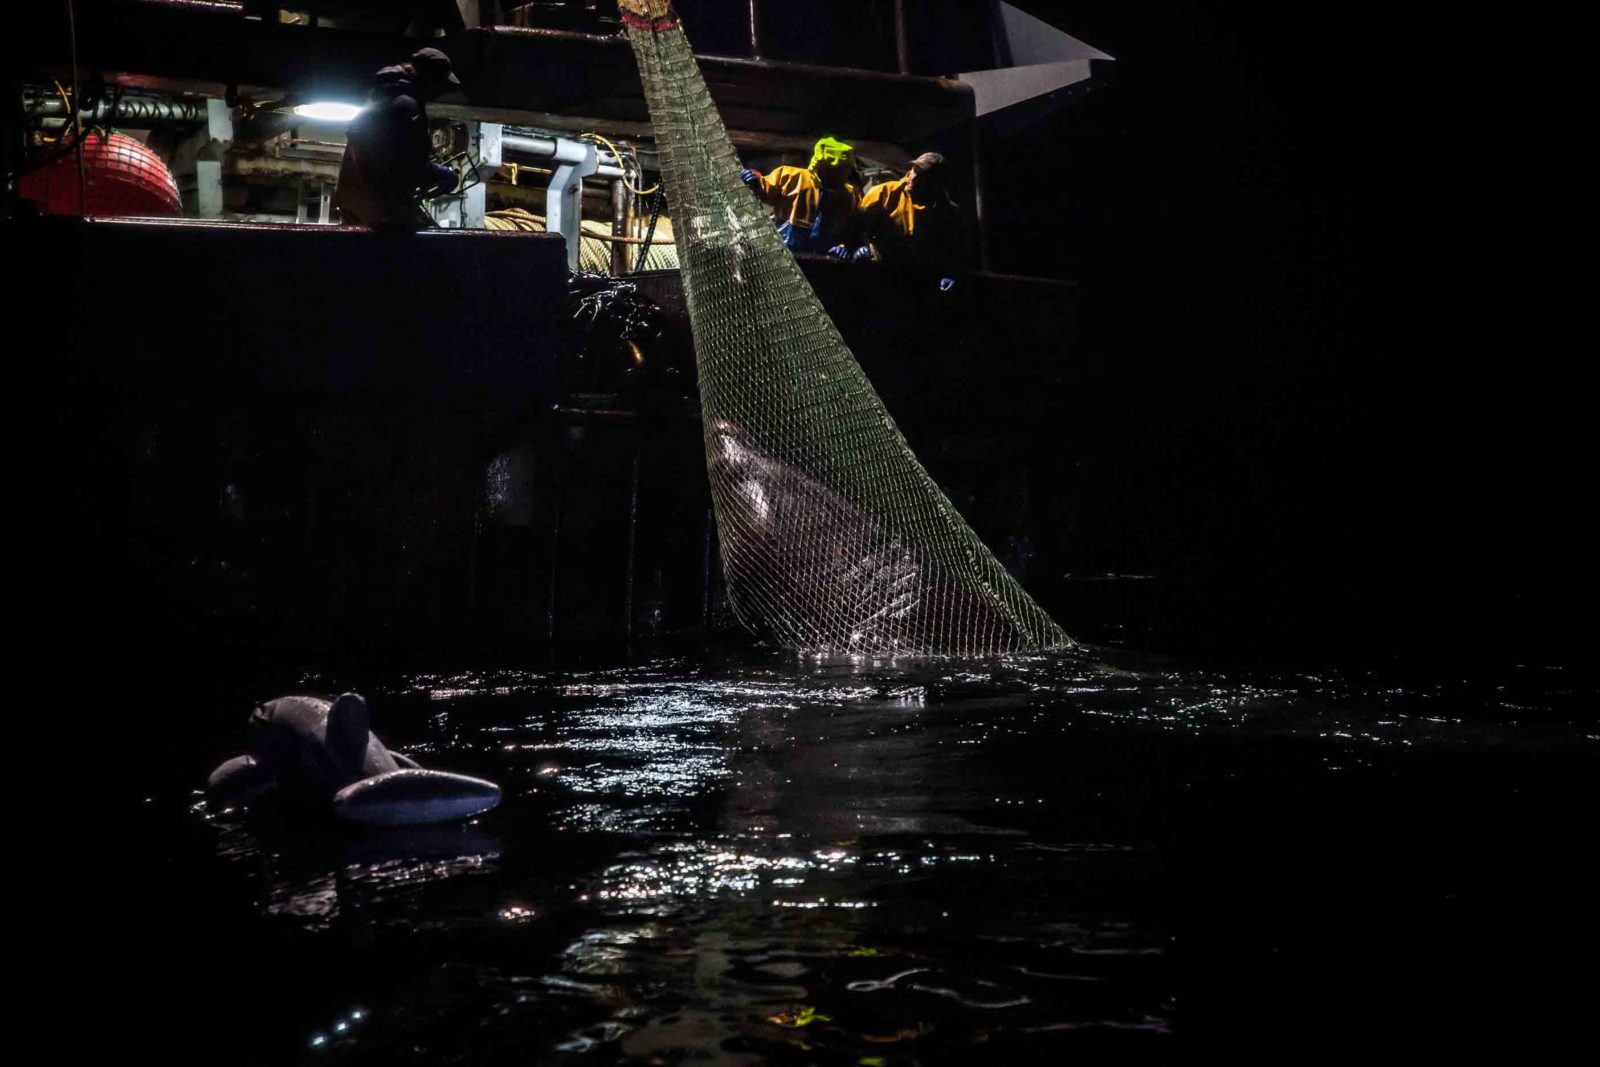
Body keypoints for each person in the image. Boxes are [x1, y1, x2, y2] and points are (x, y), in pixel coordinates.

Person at [335, 47, 462, 230]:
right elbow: (409, 168)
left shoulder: (382, 93)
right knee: (428, 246)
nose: (441, 90)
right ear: (429, 79)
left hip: (353, 196)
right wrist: (442, 175)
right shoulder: (407, 107)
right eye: (440, 83)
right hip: (378, 205)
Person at [740, 136, 861, 255]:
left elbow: (853, 227)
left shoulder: (849, 195)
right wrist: (754, 179)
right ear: (819, 164)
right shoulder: (791, 177)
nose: (837, 175)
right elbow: (764, 187)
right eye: (833, 169)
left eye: (843, 170)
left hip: (824, 256)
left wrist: (846, 248)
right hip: (786, 252)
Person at [857, 152, 961, 271]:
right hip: (879, 267)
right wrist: (862, 247)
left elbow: (952, 250)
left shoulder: (947, 211)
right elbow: (857, 228)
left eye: (923, 175)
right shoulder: (884, 193)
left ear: (936, 183)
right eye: (915, 170)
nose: (914, 177)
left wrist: (950, 273)